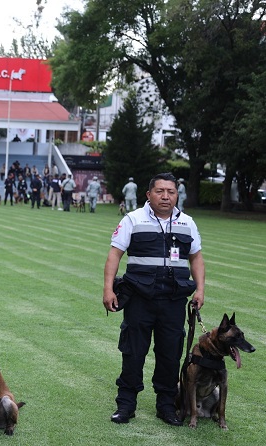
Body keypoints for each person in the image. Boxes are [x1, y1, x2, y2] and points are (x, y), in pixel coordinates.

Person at [103, 172, 205, 427]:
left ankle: (166, 406)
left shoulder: (187, 223)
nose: (166, 196)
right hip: (139, 298)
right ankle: (126, 405)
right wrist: (108, 289)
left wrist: (200, 289)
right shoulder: (132, 219)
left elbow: (196, 258)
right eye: (160, 191)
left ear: (176, 195)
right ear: (148, 194)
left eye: (171, 192)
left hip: (173, 300)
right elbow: (115, 255)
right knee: (133, 352)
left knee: (170, 355)